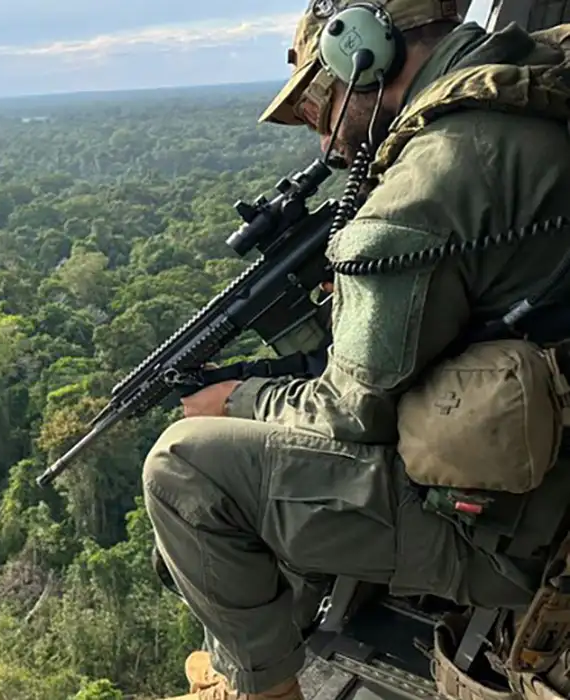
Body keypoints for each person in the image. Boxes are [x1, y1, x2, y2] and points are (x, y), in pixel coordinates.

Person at [142, 1, 570, 699]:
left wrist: (236, 399)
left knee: (187, 470)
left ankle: (258, 688)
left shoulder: (436, 176)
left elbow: (350, 413)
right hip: (548, 468)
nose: (324, 139)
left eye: (319, 102)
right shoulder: (535, 90)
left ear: (364, 53)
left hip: (524, 533)